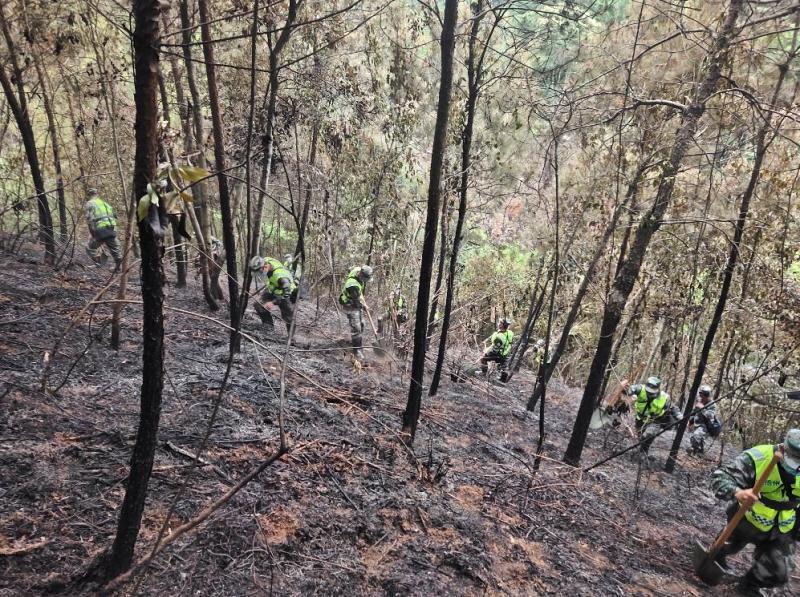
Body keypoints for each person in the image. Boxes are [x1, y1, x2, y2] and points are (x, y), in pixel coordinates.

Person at [710, 429, 800, 596]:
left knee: (779, 573)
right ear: (784, 449)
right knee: (721, 551)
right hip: (746, 520)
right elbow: (720, 477)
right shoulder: (758, 457)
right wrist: (738, 492)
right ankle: (718, 556)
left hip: (782, 528)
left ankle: (748, 585)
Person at [622, 376, 682, 457]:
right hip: (640, 418)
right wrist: (627, 390)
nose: (649, 393)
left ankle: (643, 452)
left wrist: (678, 415)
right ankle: (643, 451)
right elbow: (632, 389)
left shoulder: (664, 397)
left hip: (655, 420)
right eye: (648, 391)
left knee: (648, 434)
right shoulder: (640, 389)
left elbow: (672, 407)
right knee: (641, 437)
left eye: (651, 392)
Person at [249, 256, 297, 331]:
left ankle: (291, 338)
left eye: (260, 271)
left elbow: (287, 292)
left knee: (289, 317)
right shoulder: (266, 261)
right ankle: (268, 326)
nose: (260, 273)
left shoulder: (280, 275)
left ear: (265, 266)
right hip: (273, 289)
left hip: (285, 294)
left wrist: (273, 302)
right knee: (258, 304)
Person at [339, 265, 373, 359]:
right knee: (356, 327)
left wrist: (363, 304)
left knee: (362, 324)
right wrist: (364, 306)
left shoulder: (357, 270)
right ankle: (357, 350)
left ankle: (355, 341)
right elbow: (357, 301)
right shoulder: (352, 285)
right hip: (350, 304)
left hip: (356, 300)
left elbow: (350, 268)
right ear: (362, 276)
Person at [84, 188, 122, 268]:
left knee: (90, 247)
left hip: (100, 230)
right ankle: (119, 267)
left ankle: (98, 263)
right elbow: (115, 216)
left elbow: (89, 219)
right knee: (116, 249)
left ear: (88, 195)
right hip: (111, 229)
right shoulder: (104, 203)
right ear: (97, 194)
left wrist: (92, 233)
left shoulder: (89, 203)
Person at [689, 384, 722, 455]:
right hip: (697, 422)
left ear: (707, 395)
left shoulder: (712, 404)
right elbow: (695, 413)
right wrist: (690, 422)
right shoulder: (700, 401)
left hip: (705, 425)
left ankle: (694, 451)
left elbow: (710, 415)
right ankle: (699, 453)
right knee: (699, 439)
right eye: (700, 394)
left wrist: (702, 408)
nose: (701, 396)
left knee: (696, 435)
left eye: (703, 394)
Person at [480, 318, 513, 383]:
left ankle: (483, 373)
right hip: (505, 354)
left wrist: (486, 352)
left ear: (502, 325)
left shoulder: (500, 337)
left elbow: (494, 350)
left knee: (483, 358)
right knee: (503, 366)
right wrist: (486, 340)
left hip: (498, 354)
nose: (498, 323)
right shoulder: (509, 333)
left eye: (500, 323)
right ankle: (503, 379)